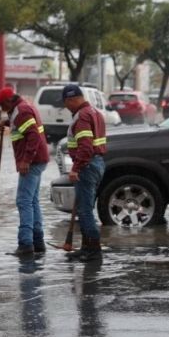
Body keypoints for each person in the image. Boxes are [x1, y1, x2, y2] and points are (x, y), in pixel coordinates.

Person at [0, 86, 51, 256]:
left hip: (32, 162)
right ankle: (38, 242)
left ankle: (26, 244)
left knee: (23, 201)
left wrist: (26, 160)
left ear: (7, 101)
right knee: (32, 201)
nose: (1, 109)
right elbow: (22, 125)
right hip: (38, 160)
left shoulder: (21, 111)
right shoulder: (21, 109)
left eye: (1, 105)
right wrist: (6, 122)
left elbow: (33, 135)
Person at [62, 84, 106, 261]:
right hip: (96, 164)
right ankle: (87, 247)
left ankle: (93, 250)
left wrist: (75, 168)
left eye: (66, 103)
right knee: (85, 207)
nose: (66, 107)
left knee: (85, 210)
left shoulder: (82, 116)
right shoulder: (94, 112)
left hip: (87, 166)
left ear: (71, 99)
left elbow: (86, 147)